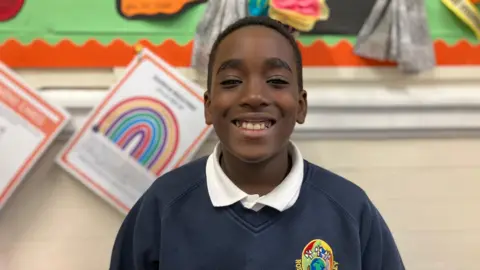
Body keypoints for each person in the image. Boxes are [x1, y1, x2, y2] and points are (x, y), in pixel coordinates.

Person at [109, 16, 405, 270]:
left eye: (276, 80)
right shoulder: (161, 207)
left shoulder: (351, 211)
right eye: (231, 81)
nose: (253, 96)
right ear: (208, 107)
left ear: (301, 106)